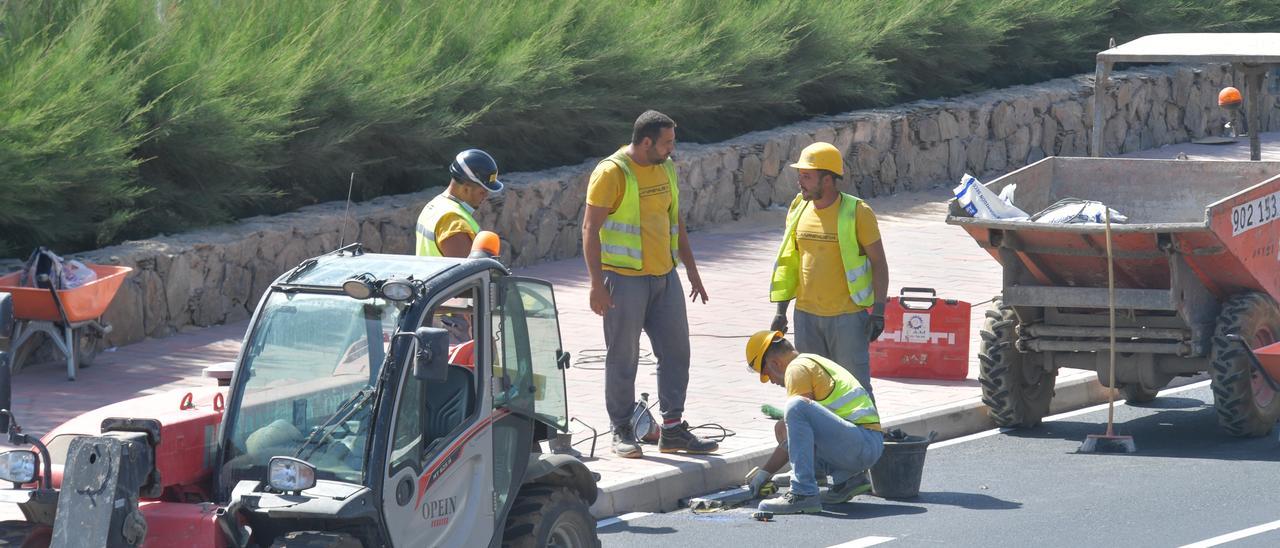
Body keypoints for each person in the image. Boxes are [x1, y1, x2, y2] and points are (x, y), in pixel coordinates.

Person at [581, 110, 717, 458]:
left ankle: (672, 429)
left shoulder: (666, 167)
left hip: (664, 278)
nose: (673, 148)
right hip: (623, 280)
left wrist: (692, 271)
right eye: (667, 142)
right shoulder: (611, 173)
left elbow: (676, 222)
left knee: (676, 352)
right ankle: (623, 429)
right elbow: (589, 230)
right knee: (623, 357)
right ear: (645, 142)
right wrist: (597, 284)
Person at [769, 142, 889, 402]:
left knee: (854, 389)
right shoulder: (798, 208)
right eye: (800, 175)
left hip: (847, 318)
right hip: (806, 317)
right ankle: (822, 443)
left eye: (807, 176)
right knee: (811, 390)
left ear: (828, 179)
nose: (801, 182)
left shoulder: (857, 212)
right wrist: (781, 311)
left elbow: (879, 262)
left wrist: (878, 311)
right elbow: (790, 263)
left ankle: (867, 441)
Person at [743, 330, 883, 514]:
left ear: (775, 363)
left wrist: (764, 473)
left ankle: (803, 493)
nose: (771, 381)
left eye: (767, 374)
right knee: (782, 426)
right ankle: (845, 480)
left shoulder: (796, 369)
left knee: (795, 407)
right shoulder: (809, 360)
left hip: (861, 444)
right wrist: (768, 472)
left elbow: (797, 425)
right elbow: (800, 432)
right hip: (862, 444)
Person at [415, 149, 505, 258]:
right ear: (466, 188)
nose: (486, 196)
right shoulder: (455, 223)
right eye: (482, 191)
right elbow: (468, 273)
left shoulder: (434, 205)